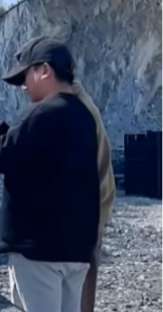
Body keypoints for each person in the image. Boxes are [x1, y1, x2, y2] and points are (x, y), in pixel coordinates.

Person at [0, 36, 100, 312]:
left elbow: (1, 156)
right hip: (76, 249)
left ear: (44, 70)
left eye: (26, 75)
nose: (23, 86)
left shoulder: (43, 111)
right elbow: (31, 150)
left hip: (39, 250)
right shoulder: (82, 115)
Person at [71, 80, 116, 312]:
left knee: (78, 288)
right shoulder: (82, 105)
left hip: (86, 213)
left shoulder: (76, 111)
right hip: (94, 210)